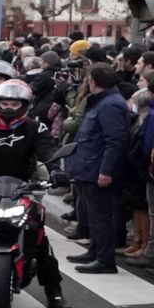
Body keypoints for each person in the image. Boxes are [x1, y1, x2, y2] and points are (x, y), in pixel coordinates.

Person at [0, 79, 70, 308]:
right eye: (5, 103)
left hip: (23, 187)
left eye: (14, 103)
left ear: (24, 105)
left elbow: (49, 151)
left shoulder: (35, 128)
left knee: (39, 237)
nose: (9, 108)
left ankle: (54, 291)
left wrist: (57, 172)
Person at [66, 63, 133, 274]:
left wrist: (106, 170)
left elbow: (115, 141)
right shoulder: (102, 101)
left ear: (93, 81)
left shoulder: (110, 104)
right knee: (92, 214)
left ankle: (105, 260)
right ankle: (95, 250)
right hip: (88, 166)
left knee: (101, 215)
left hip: (97, 169)